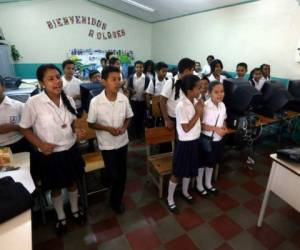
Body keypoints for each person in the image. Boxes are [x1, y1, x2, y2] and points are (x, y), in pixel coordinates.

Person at [19, 64, 86, 235]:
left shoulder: (68, 99)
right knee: (55, 188)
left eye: (58, 77)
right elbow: (24, 128)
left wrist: (75, 130)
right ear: (41, 83)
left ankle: (75, 210)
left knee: (72, 184)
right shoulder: (33, 103)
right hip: (51, 155)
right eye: (50, 79)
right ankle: (61, 216)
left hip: (70, 150)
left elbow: (70, 122)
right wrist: (40, 144)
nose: (57, 81)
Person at [87, 66, 133, 214]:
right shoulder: (96, 101)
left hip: (122, 142)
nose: (117, 82)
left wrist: (124, 127)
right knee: (113, 174)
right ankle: (110, 185)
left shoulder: (123, 99)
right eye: (113, 79)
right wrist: (108, 129)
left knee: (122, 174)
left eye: (119, 79)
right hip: (106, 144)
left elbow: (129, 117)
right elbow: (90, 123)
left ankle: (116, 201)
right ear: (104, 81)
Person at [166, 75, 203, 213]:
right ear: (189, 90)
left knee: (189, 169)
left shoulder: (194, 101)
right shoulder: (181, 105)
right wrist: (198, 113)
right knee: (177, 172)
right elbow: (186, 128)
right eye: (198, 88)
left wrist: (200, 110)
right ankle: (170, 198)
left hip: (194, 141)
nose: (201, 90)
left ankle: (185, 192)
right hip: (184, 143)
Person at [197, 81, 228, 196]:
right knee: (203, 163)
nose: (220, 94)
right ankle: (199, 185)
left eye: (222, 91)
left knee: (212, 162)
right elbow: (201, 125)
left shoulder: (222, 105)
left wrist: (224, 128)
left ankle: (208, 183)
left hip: (218, 139)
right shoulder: (205, 106)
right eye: (216, 92)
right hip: (206, 139)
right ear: (209, 93)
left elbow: (223, 119)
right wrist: (216, 129)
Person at [160, 58, 195, 132]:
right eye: (192, 70)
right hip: (173, 118)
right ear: (186, 71)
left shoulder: (189, 82)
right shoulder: (171, 82)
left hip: (185, 118)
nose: (193, 73)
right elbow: (162, 100)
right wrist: (166, 119)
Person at [0, 76, 31, 153]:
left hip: (19, 145)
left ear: (3, 87)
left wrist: (15, 127)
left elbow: (31, 129)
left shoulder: (18, 106)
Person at [128, 61, 150, 138]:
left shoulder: (146, 78)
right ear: (135, 68)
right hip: (133, 100)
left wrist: (146, 91)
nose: (139, 69)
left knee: (141, 117)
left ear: (143, 68)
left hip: (142, 100)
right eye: (137, 67)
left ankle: (141, 132)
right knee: (134, 117)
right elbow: (129, 86)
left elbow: (148, 88)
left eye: (140, 67)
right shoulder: (131, 77)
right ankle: (134, 133)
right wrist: (131, 90)